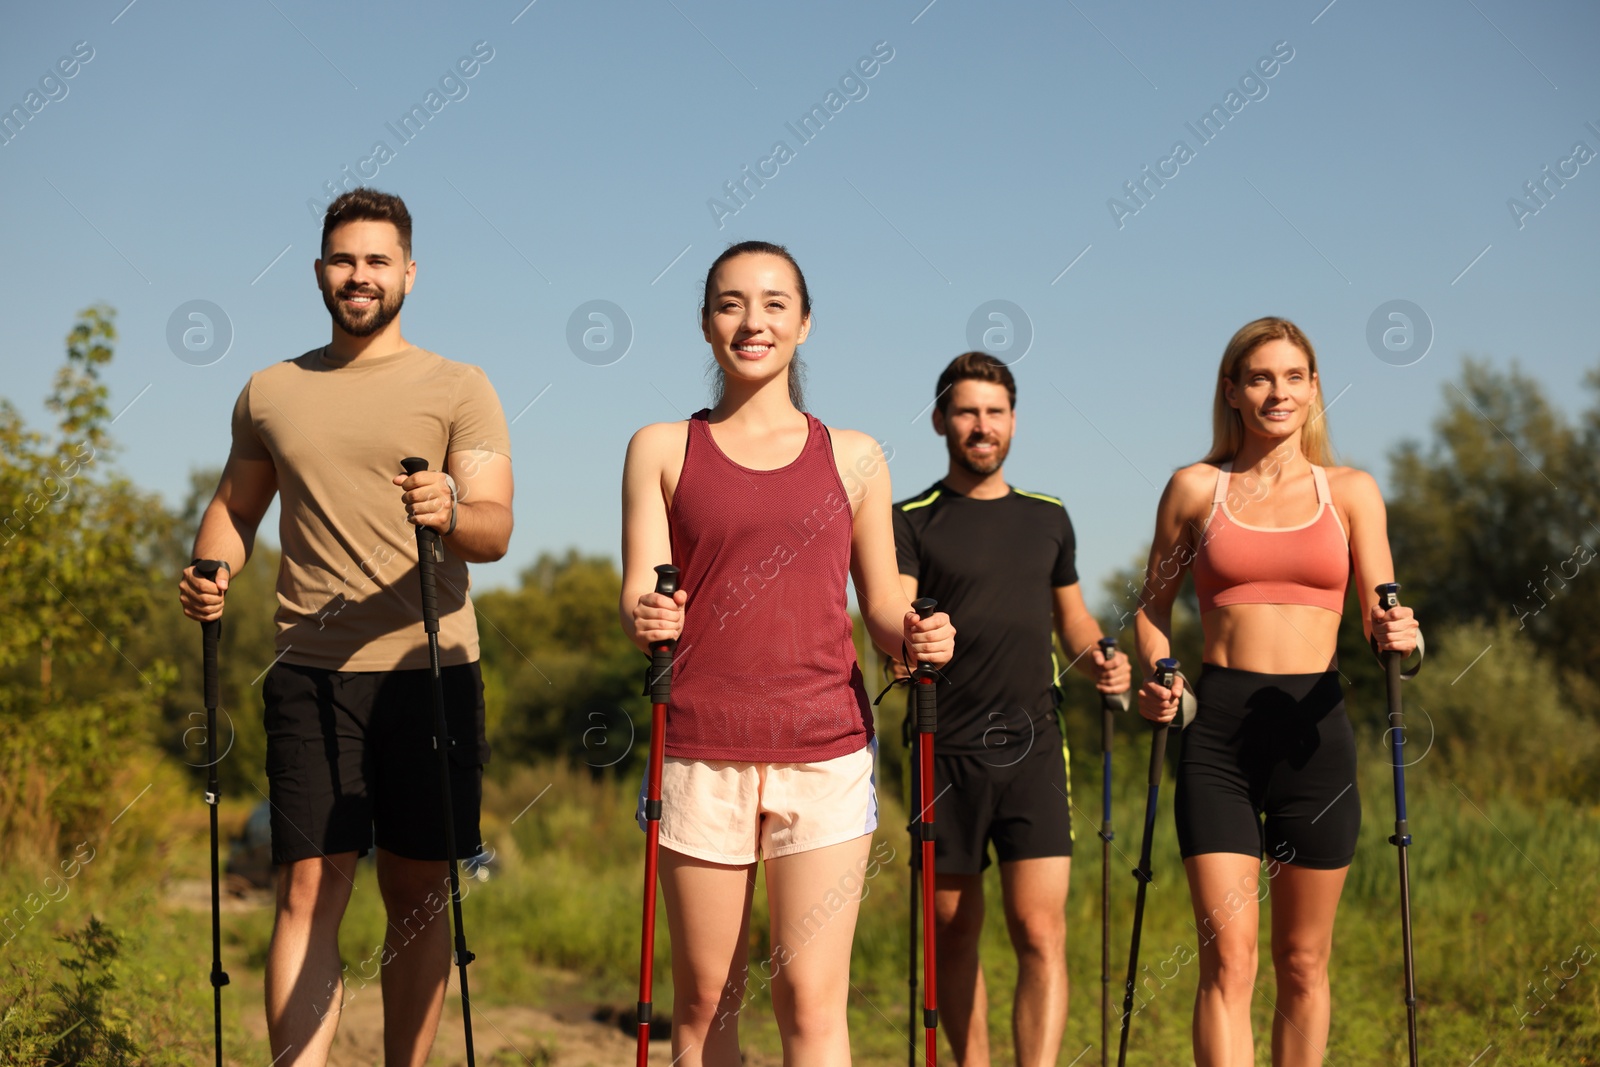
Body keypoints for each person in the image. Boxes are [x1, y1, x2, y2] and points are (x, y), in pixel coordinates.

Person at [177, 188, 513, 1067]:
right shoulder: (272, 391)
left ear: (408, 271)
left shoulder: (459, 386)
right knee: (305, 891)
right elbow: (233, 509)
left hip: (430, 669)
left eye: (375, 260)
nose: (358, 275)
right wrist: (213, 565)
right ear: (320, 272)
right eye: (342, 260)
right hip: (309, 674)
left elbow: (496, 528)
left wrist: (448, 508)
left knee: (419, 894)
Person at [619, 240, 955, 1066]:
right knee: (703, 1002)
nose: (752, 320)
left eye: (774, 303)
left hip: (824, 750)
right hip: (700, 749)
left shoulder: (856, 454)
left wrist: (915, 632)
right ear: (706, 324)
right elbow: (636, 588)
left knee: (811, 1003)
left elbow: (882, 602)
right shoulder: (661, 447)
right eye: (731, 303)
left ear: (804, 322)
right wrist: (648, 612)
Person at [1133, 317, 1420, 1066]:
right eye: (1259, 377)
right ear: (1231, 390)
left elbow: (1384, 618)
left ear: (1315, 387)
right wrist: (1162, 678)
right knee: (1229, 963)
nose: (1277, 392)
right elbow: (1151, 610)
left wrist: (1406, 639)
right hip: (1219, 737)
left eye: (1294, 376)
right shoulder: (1196, 488)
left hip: (1315, 736)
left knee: (1302, 964)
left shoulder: (1352, 492)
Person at [890, 352, 1131, 1067]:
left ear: (1014, 422)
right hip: (944, 749)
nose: (981, 426)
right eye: (966, 411)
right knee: (953, 928)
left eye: (995, 412)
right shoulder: (912, 520)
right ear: (940, 420)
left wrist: (1103, 660)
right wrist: (902, 651)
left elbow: (1075, 623)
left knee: (1040, 928)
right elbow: (895, 621)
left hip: (1032, 747)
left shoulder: (1048, 518)